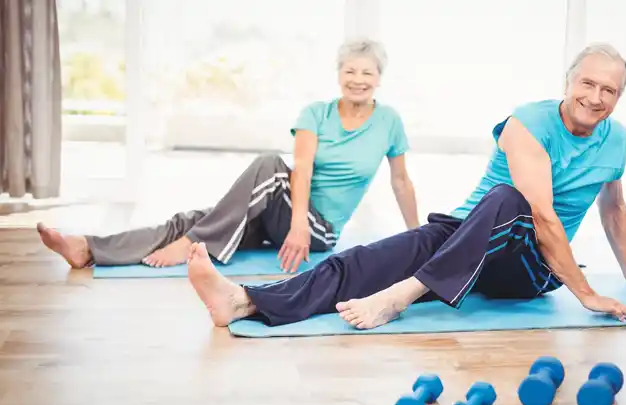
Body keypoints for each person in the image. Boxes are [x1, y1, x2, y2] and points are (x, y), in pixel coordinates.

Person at [184, 43, 626, 329]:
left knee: (509, 201)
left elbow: (607, 207)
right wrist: (589, 293)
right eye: (588, 84)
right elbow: (540, 208)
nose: (596, 98)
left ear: (619, 96)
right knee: (363, 260)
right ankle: (246, 302)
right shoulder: (527, 124)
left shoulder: (617, 140)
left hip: (527, 266)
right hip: (467, 239)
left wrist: (620, 276)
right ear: (568, 82)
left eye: (609, 91)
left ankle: (404, 294)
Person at [37, 38, 420, 273]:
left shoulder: (389, 122)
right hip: (289, 214)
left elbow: (400, 181)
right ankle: (88, 249)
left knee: (267, 166)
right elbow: (300, 171)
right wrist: (295, 223)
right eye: (350, 70)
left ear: (379, 77)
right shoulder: (316, 113)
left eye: (367, 72)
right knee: (192, 220)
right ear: (339, 74)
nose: (358, 79)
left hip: (318, 230)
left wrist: (419, 235)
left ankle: (193, 242)